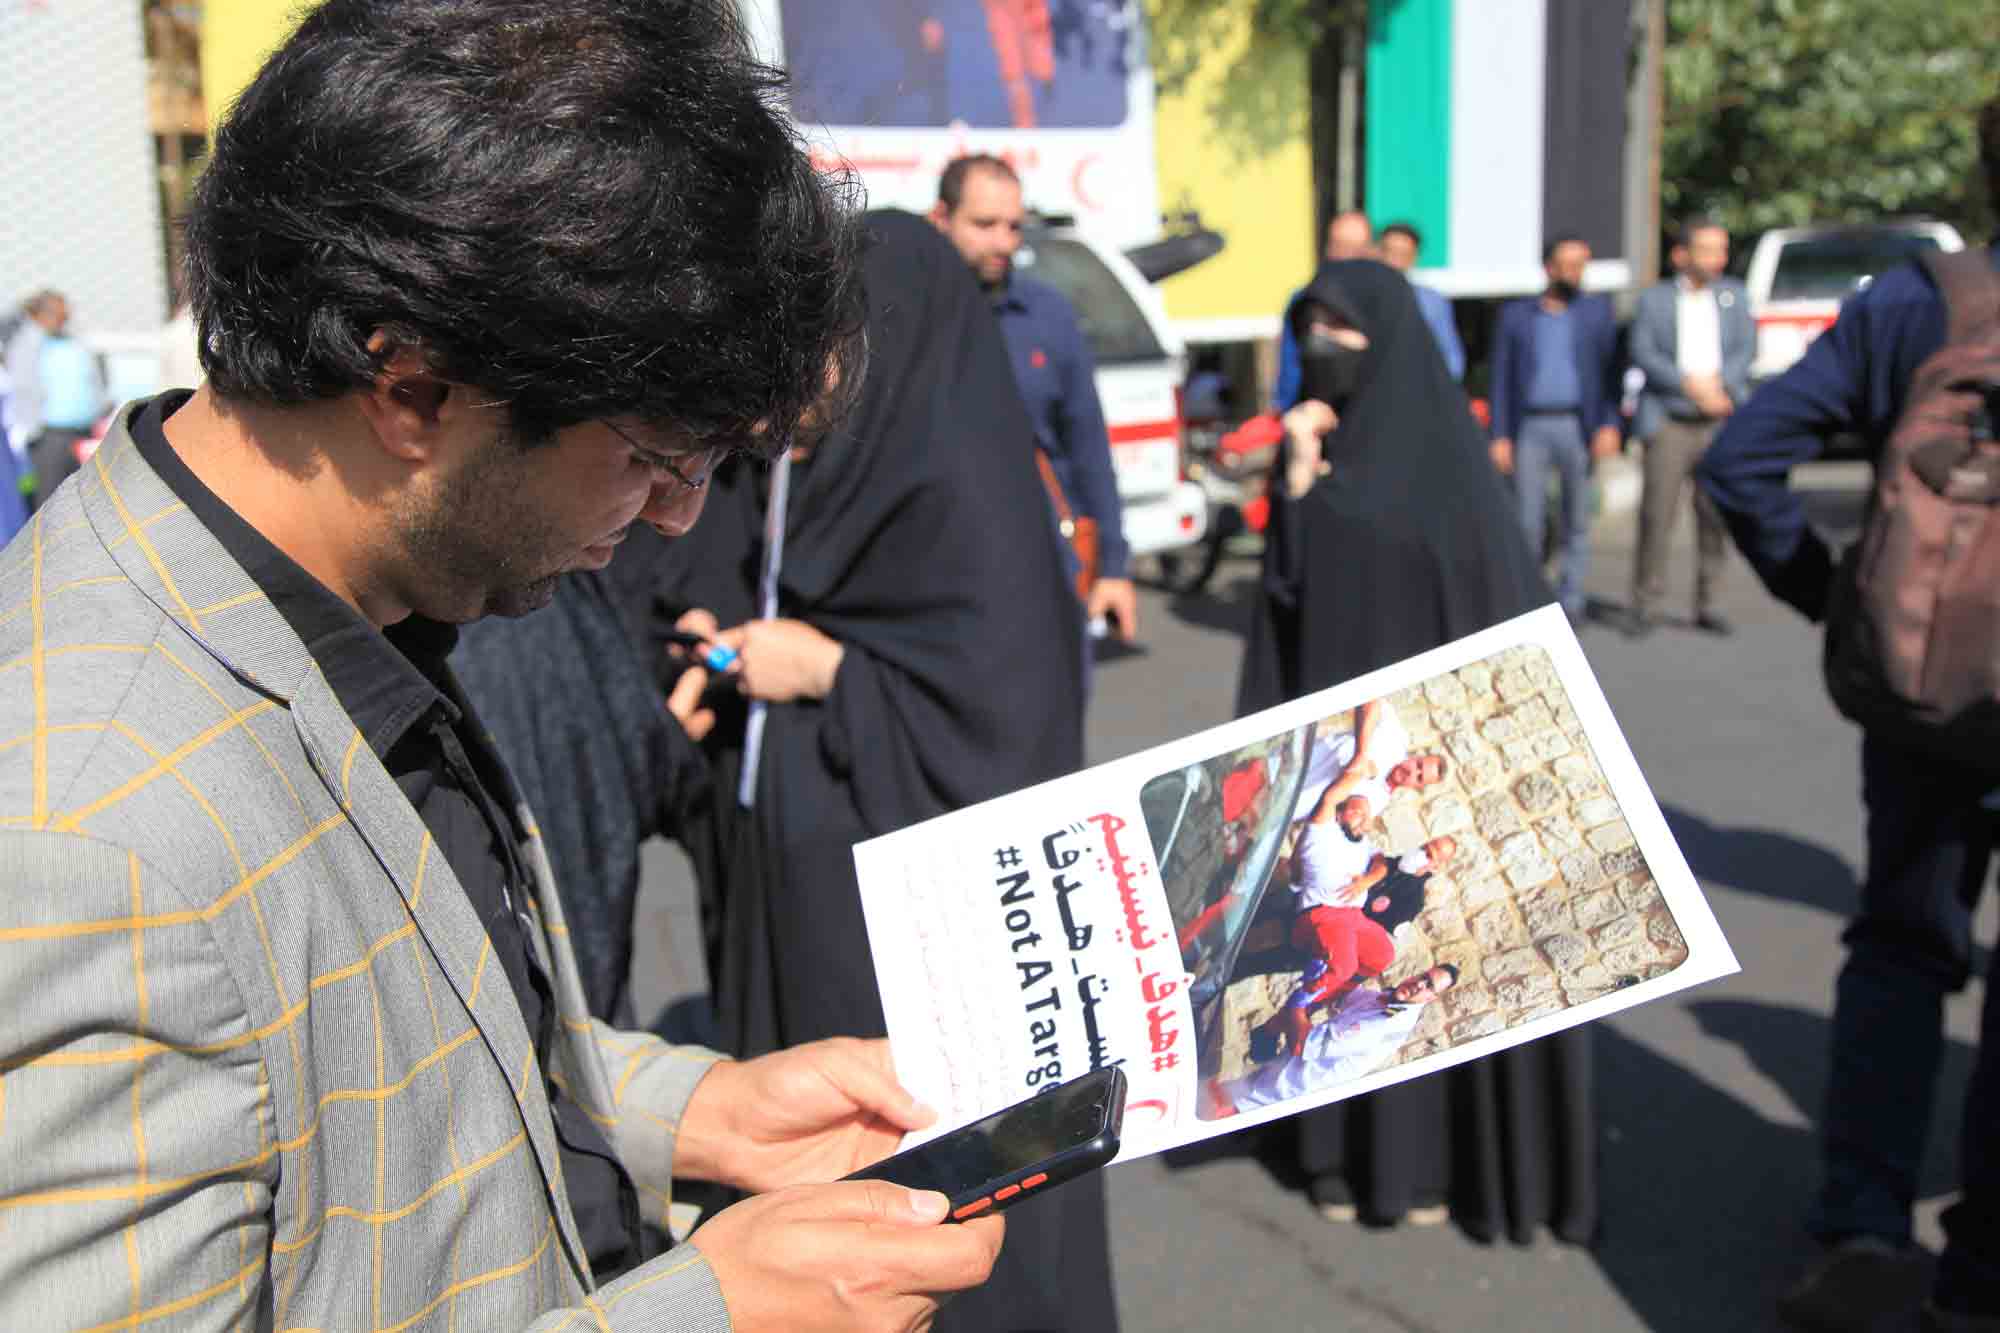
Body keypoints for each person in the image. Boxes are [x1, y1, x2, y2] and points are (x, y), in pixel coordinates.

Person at [0, 3, 1008, 1328]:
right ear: (411, 387)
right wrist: (709, 1313)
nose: (677, 518)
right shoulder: (86, 843)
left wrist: (690, 1110)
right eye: (653, 458)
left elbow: (378, 1061)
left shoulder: (325, 598)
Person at [658, 210, 1116, 1333]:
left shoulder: (970, 504)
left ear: (891, 342)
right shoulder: (810, 466)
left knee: (926, 1220)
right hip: (796, 898)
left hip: (924, 951)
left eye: (827, 341)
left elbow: (1007, 733)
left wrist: (830, 673)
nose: (806, 370)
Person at [1697, 99, 2000, 1333]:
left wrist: (1834, 602)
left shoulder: (1918, 301)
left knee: (1899, 947)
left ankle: (1860, 1228)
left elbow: (1738, 461)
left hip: (1922, 693)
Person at [1238, 257, 1595, 1242]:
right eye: (1309, 333)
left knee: (1417, 971)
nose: (1323, 350)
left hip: (1416, 748)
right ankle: (1347, 1154)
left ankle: (1443, 1166)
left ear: (1390, 340)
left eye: (1342, 332)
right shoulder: (1331, 467)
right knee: (1354, 970)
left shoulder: (1450, 478)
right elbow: (1294, 610)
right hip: (1347, 765)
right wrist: (1299, 481)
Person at [449, 526, 718, 1027]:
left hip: (523, 992)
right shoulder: (549, 579)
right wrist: (667, 734)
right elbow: (653, 763)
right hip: (567, 985)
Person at [928, 153, 1139, 644]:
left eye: (1014, 226)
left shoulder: (1047, 316)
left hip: (1046, 570)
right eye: (985, 225)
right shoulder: (907, 314)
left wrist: (1113, 566)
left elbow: (1088, 447)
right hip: (939, 579)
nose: (1004, 242)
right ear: (941, 218)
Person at [1625, 216, 1754, 639]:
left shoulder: (1735, 295)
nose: (1718, 258)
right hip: (1670, 417)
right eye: (1708, 249)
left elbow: (1745, 348)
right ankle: (1647, 601)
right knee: (1657, 514)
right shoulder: (1655, 300)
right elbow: (1643, 350)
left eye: (1722, 250)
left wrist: (1721, 386)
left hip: (1719, 417)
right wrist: (1687, 385)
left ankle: (1709, 602)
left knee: (1715, 515)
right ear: (1682, 255)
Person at [1488, 235, 1623, 624]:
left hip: (1578, 425)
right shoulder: (1517, 315)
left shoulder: (1596, 313)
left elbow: (1611, 375)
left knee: (1576, 518)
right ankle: (1529, 603)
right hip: (1530, 426)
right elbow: (1501, 376)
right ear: (1549, 267)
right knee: (1527, 520)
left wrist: (1609, 424)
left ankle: (1571, 599)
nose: (1576, 272)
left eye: (1582, 265)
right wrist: (1500, 435)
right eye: (1569, 264)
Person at [1214, 966, 1460, 1115]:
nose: (1419, 984)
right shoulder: (1386, 1000)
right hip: (1276, 1073)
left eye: (1429, 986)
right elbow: (1345, 995)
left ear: (1431, 999)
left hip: (1284, 1091)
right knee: (1214, 1095)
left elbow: (1303, 1045)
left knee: (1215, 1113)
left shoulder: (1384, 1023)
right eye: (1423, 976)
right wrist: (1325, 976)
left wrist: (1298, 1005)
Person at [1272, 209, 1376, 411]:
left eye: (1357, 248)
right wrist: (1286, 408)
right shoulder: (1307, 300)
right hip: (1320, 411)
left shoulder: (1387, 299)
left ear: (1370, 250)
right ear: (1329, 248)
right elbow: (1291, 365)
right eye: (1342, 246)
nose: (1349, 255)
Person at [1379, 221, 1467, 381]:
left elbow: (1452, 359)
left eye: (1402, 254)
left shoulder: (1431, 302)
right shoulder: (1360, 296)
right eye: (1389, 252)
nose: (1394, 261)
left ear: (1414, 257)